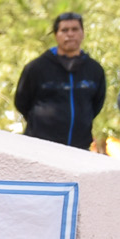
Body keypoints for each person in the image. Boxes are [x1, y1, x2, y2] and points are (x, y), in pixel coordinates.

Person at [14, 12, 108, 151]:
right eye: (64, 30)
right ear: (56, 35)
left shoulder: (94, 70)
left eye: (75, 29)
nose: (70, 34)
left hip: (79, 148)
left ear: (82, 33)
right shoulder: (37, 68)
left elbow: (96, 104)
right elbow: (22, 102)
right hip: (41, 147)